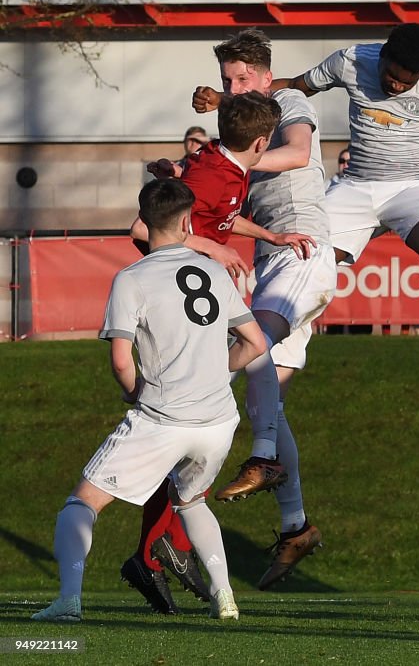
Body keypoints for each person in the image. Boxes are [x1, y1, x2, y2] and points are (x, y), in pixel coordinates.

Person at [195, 23, 419, 386]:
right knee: (305, 260)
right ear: (382, 57)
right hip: (356, 185)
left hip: (413, 187)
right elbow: (292, 86)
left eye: (407, 81)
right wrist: (222, 98)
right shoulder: (350, 61)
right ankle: (274, 360)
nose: (397, 86)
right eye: (392, 76)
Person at [31, 177, 267, 623]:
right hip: (218, 421)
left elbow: (121, 360)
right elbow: (254, 343)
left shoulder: (131, 278)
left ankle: (68, 601)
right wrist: (217, 371)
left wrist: (135, 393)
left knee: (81, 504)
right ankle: (225, 598)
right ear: (187, 221)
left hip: (163, 417)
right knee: (192, 501)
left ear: (144, 222)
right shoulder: (214, 270)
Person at [127, 91, 312, 614]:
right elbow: (146, 229)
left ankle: (160, 551)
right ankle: (154, 552)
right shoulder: (210, 173)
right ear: (262, 142)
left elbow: (215, 222)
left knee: (206, 417)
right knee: (191, 420)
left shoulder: (227, 172)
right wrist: (217, 249)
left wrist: (269, 234)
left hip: (202, 305)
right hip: (178, 308)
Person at [193, 29, 337, 590]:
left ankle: (262, 458)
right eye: (228, 80)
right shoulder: (241, 122)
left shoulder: (288, 101)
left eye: (241, 79)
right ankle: (296, 525)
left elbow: (299, 152)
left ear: (264, 74)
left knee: (248, 350)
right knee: (262, 393)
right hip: (275, 254)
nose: (232, 88)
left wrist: (234, 164)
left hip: (304, 248)